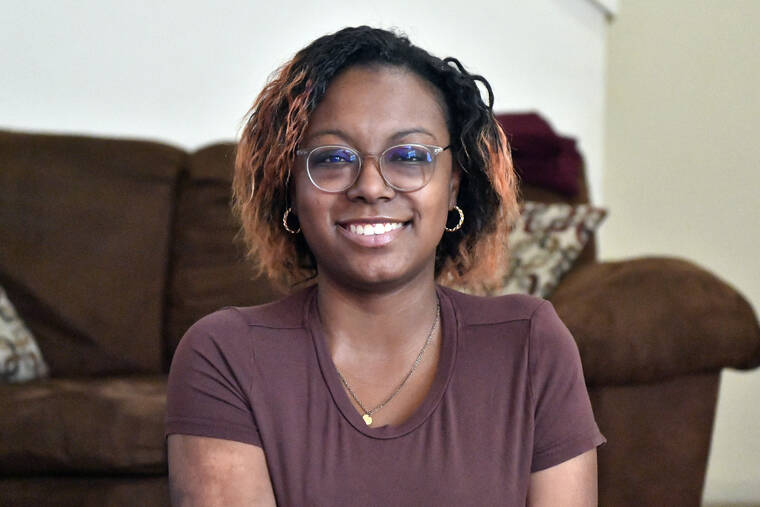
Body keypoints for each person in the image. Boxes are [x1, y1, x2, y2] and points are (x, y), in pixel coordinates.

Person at [165, 26, 606, 506]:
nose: (371, 186)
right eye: (334, 157)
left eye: (410, 156)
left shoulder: (531, 343)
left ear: (453, 185)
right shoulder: (224, 355)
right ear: (290, 186)